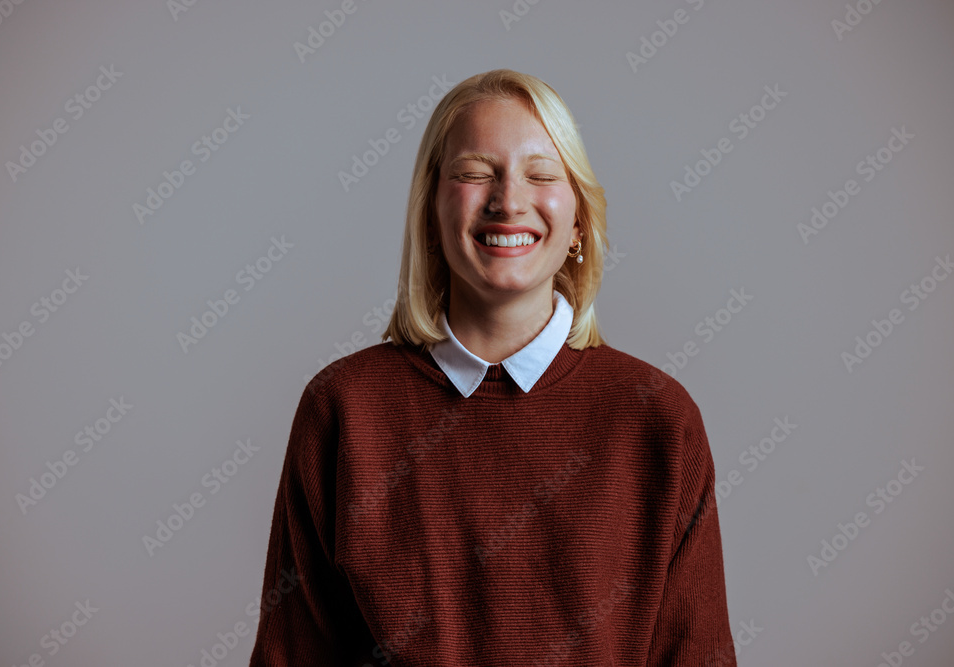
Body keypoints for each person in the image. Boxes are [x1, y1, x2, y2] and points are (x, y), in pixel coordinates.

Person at [249, 69, 736, 666]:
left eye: (541, 175)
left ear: (579, 218)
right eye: (476, 173)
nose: (509, 200)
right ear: (431, 209)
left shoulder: (659, 420)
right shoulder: (343, 410)